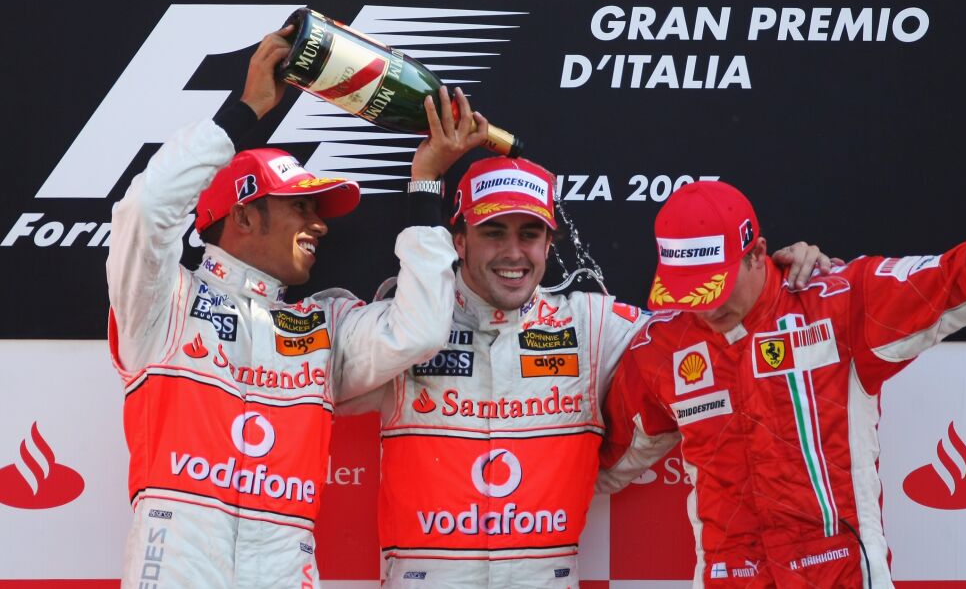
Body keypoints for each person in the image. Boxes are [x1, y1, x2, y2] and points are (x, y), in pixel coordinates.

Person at [596, 114, 966, 588]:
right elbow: (602, 460)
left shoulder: (841, 305)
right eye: (689, 292)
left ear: (757, 253)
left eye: (716, 287)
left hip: (841, 576)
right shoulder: (662, 346)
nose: (706, 308)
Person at [336, 155, 835, 587]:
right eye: (493, 232)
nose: (514, 252)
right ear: (459, 241)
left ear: (548, 244)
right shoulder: (403, 326)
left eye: (530, 234)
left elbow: (707, 323)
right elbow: (311, 370)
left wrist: (780, 277)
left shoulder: (591, 324)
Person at [106, 24, 487, 587]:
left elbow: (421, 330)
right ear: (243, 214)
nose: (320, 224)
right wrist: (243, 113)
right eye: (301, 207)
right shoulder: (164, 302)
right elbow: (145, 210)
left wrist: (426, 184)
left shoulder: (321, 327)